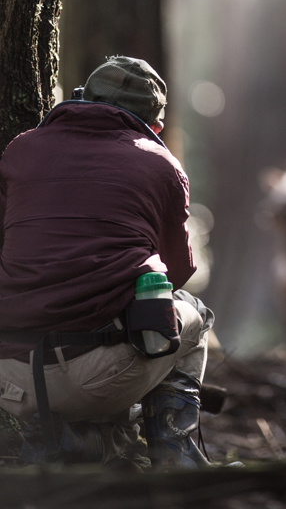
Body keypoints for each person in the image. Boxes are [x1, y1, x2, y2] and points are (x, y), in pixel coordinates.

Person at [0, 56, 215, 466]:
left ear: (84, 99)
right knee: (193, 315)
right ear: (154, 124)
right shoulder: (160, 165)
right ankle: (175, 459)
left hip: (10, 377)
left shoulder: (20, 149)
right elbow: (179, 271)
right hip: (98, 377)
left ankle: (71, 444)